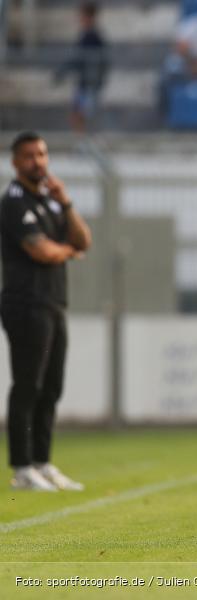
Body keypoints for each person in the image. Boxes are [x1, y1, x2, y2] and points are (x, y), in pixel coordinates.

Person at [1, 132, 92, 491]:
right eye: (29, 156)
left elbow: (84, 240)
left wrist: (66, 203)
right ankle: (22, 467)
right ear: (15, 162)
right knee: (28, 385)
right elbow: (42, 252)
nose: (37, 161)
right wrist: (67, 251)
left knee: (52, 386)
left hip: (54, 302)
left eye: (41, 154)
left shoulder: (51, 202)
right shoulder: (14, 202)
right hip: (26, 303)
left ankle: (43, 462)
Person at [53, 2, 108, 132]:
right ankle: (83, 144)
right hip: (84, 83)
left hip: (89, 84)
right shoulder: (87, 35)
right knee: (78, 116)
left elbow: (88, 59)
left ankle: (86, 144)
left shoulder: (94, 37)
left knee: (82, 116)